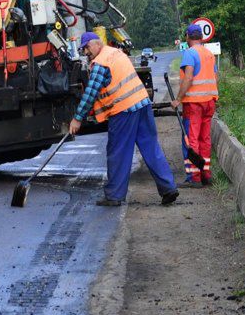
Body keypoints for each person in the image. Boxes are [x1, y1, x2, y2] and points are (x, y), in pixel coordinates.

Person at [69, 32, 179, 207]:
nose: (86, 52)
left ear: (96, 44)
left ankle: (114, 195)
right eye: (83, 49)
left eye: (87, 48)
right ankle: (168, 188)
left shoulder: (100, 63)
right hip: (142, 104)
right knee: (151, 147)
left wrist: (77, 118)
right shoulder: (116, 53)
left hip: (124, 110)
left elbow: (90, 94)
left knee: (118, 152)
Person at [172, 24, 219, 186]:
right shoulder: (209, 54)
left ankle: (194, 177)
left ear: (188, 37)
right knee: (205, 139)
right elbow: (214, 76)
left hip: (194, 104)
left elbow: (189, 77)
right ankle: (205, 174)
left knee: (192, 139)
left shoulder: (190, 53)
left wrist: (178, 99)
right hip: (209, 102)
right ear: (201, 37)